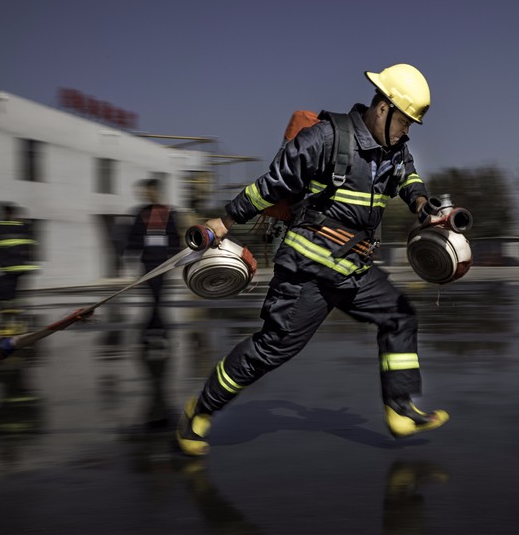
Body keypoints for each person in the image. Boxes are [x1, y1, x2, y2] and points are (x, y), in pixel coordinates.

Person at [176, 63, 450, 456]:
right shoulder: (326, 138)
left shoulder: (395, 149)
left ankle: (401, 408)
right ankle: (199, 410)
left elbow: (407, 178)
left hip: (355, 268)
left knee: (400, 315)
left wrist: (423, 205)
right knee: (272, 348)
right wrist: (225, 221)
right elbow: (271, 185)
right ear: (383, 108)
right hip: (309, 269)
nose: (407, 130)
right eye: (405, 121)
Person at [127, 178, 180, 427]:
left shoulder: (169, 212)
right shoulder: (141, 213)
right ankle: (156, 331)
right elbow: (134, 236)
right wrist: (130, 254)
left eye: (148, 190)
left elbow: (174, 236)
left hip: (163, 261)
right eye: (143, 190)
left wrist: (176, 257)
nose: (145, 193)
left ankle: (154, 331)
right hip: (148, 261)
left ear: (156, 191)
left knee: (157, 298)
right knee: (153, 297)